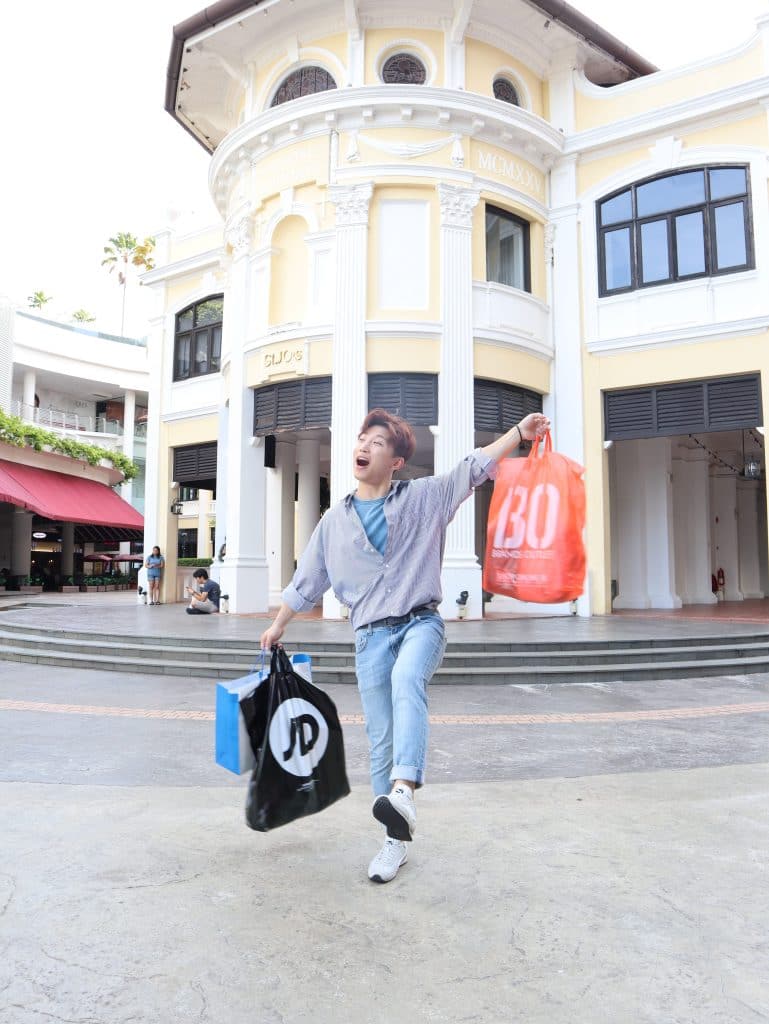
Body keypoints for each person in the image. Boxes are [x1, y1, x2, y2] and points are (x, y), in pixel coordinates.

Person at [260, 407, 551, 884]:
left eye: (377, 443)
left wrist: (518, 432)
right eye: (362, 439)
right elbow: (307, 580)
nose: (364, 446)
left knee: (406, 679)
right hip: (369, 637)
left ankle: (403, 790)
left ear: (395, 461)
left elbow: (472, 469)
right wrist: (278, 625)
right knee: (380, 739)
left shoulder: (424, 497)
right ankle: (393, 841)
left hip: (420, 623)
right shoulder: (334, 522)